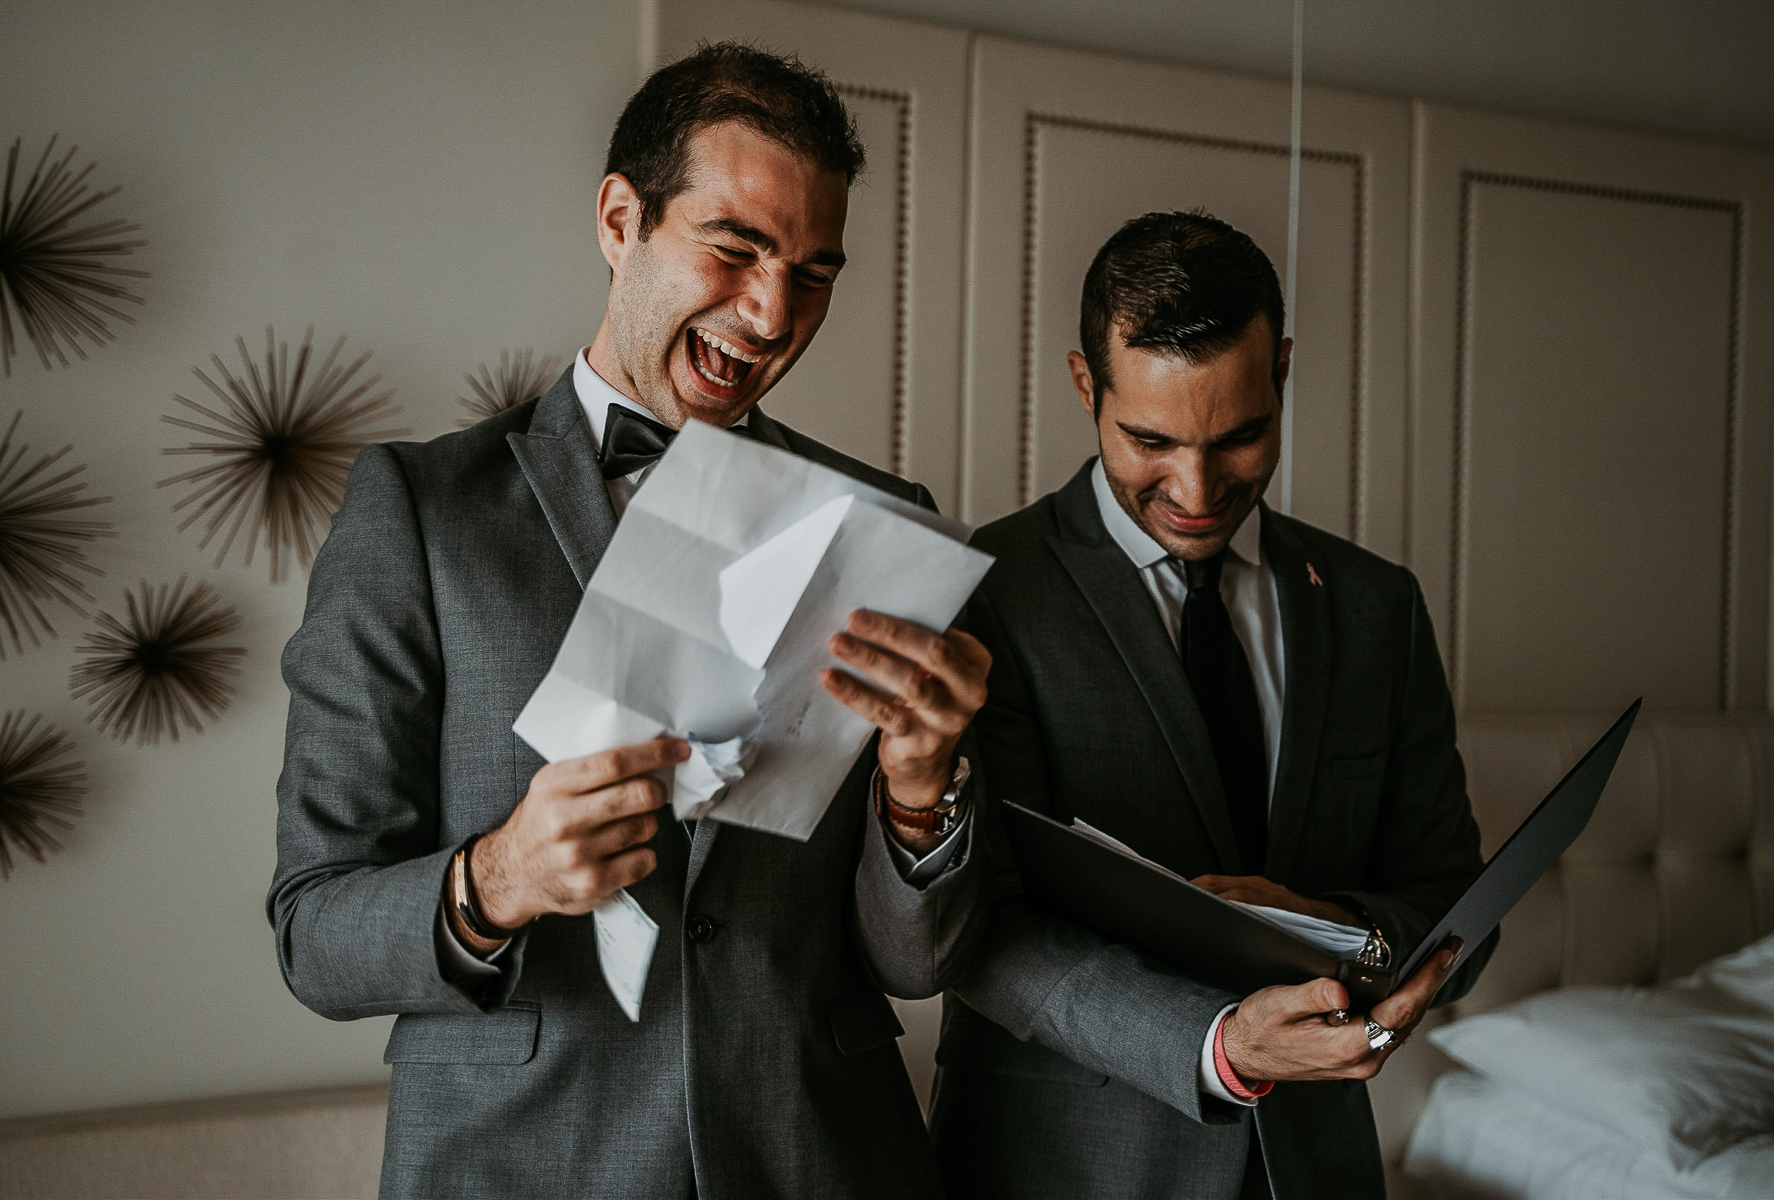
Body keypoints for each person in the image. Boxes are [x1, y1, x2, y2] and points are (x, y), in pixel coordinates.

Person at [269, 44, 993, 1199]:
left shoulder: (884, 529)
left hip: (821, 1157)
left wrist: (920, 790)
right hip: (522, 1163)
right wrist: (495, 879)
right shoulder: (416, 512)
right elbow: (313, 930)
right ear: (621, 220)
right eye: (735, 248)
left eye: (813, 274)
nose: (770, 314)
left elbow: (916, 965)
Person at [928, 210, 1494, 1199]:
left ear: (1280, 371)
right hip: (1063, 1166)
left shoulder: (1376, 607)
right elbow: (979, 929)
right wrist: (1221, 1045)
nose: (1195, 488)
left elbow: (1457, 905)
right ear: (1083, 385)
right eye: (1150, 440)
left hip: (1317, 1167)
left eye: (1240, 437)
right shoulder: (984, 591)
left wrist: (1330, 924)